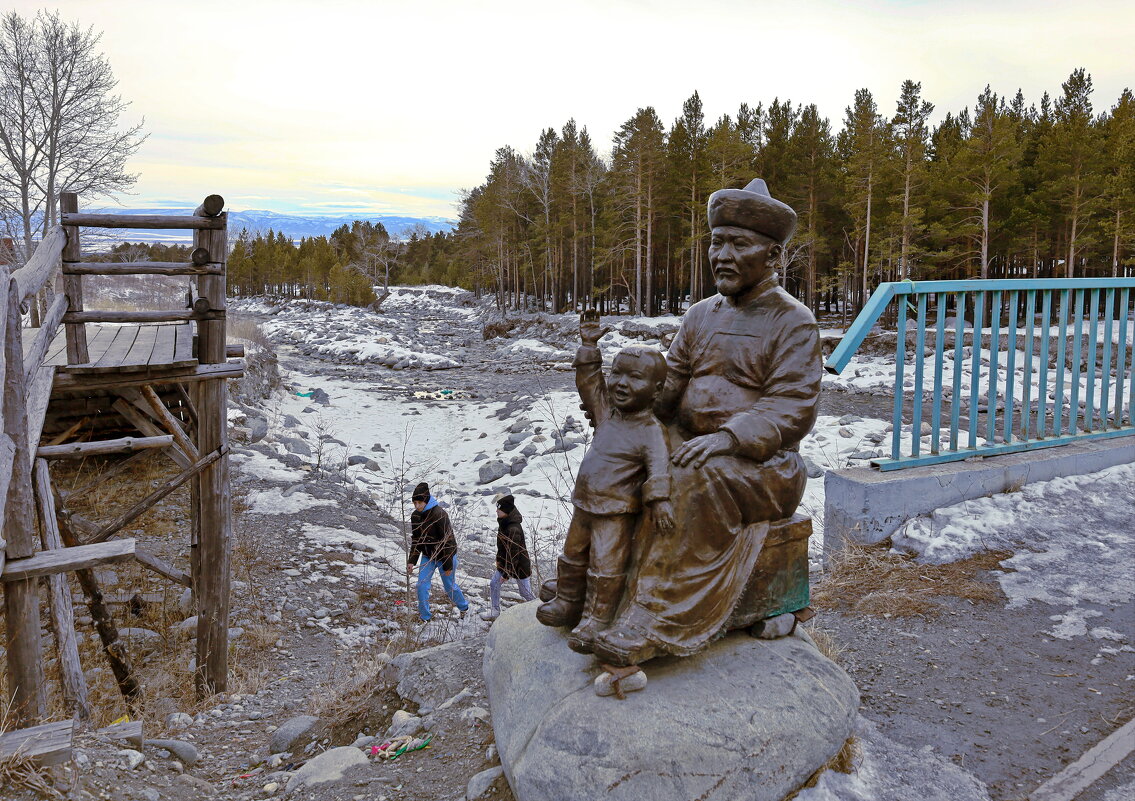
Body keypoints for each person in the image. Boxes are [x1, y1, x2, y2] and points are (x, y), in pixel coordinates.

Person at [591, 178, 821, 667]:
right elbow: (669, 384)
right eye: (717, 242)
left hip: (762, 466)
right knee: (625, 457)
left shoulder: (794, 322)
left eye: (740, 244)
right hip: (695, 443)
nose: (723, 255)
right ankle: (598, 591)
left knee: (690, 478)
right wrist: (631, 412)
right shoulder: (699, 315)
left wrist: (727, 438)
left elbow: (792, 406)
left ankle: (654, 619)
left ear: (774, 255)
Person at [537, 312, 674, 654]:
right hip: (584, 502)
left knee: (605, 566)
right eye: (618, 374)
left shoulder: (651, 431)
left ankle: (597, 618)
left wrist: (659, 501)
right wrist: (587, 347)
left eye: (635, 378)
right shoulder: (607, 411)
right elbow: (589, 383)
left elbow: (659, 469)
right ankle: (568, 601)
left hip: (615, 512)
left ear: (656, 391)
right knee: (572, 554)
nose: (622, 384)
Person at [406, 482, 469, 622]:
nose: (417, 506)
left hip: (446, 556)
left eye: (419, 502)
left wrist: (447, 565)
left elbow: (448, 541)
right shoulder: (415, 516)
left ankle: (464, 608)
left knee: (449, 587)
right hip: (428, 556)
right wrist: (411, 561)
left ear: (426, 500)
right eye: (414, 503)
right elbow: (416, 540)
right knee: (421, 586)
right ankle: (425, 618)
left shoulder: (439, 514)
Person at [480, 494, 536, 621]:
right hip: (504, 563)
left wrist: (506, 574)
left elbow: (514, 554)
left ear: (505, 511)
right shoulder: (504, 522)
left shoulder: (513, 528)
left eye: (498, 509)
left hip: (519, 566)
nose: (496, 511)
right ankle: (495, 611)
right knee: (494, 584)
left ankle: (540, 608)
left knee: (525, 593)